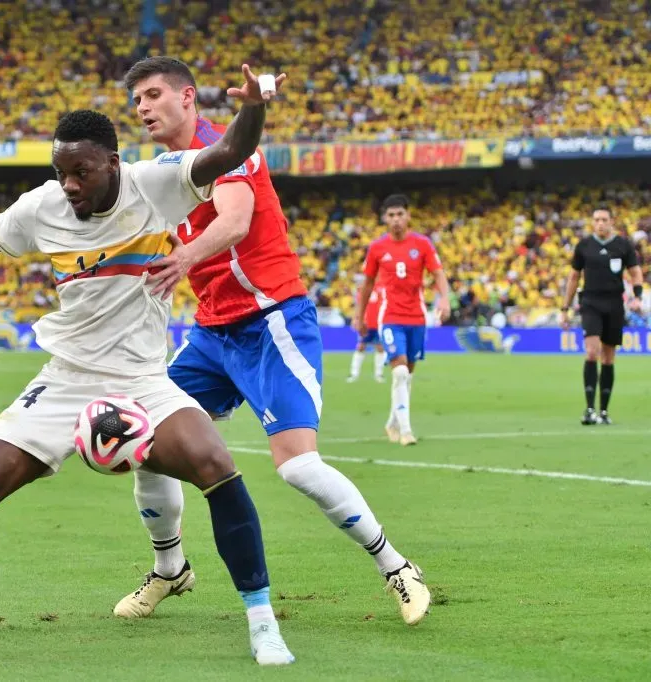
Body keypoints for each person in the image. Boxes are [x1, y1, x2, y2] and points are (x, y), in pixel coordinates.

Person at [0, 67, 298, 666]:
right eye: (61, 172)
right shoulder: (43, 208)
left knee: (215, 465)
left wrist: (253, 107)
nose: (70, 185)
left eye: (82, 172)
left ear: (114, 163)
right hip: (65, 378)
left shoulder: (157, 183)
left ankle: (262, 622)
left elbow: (232, 149)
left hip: (143, 381)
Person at [114, 56, 430, 628]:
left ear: (188, 98)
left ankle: (397, 567)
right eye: (136, 100)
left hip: (272, 322)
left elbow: (234, 222)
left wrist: (182, 257)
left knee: (298, 467)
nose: (142, 108)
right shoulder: (162, 169)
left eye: (153, 94)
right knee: (144, 444)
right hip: (211, 333)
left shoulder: (228, 148)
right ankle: (169, 568)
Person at [354, 194, 451, 446]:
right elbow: (366, 285)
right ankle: (406, 431)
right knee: (398, 371)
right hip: (391, 318)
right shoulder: (377, 248)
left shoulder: (423, 244)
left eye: (400, 214)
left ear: (408, 216)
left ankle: (392, 423)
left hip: (417, 318)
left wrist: (444, 299)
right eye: (391, 215)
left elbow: (438, 274)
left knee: (406, 374)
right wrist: (359, 315)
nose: (396, 220)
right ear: (385, 218)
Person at [560, 206, 644, 425]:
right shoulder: (584, 246)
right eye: (596, 219)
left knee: (608, 357)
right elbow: (574, 277)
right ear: (592, 222)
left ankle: (604, 411)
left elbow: (635, 272)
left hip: (615, 304)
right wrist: (564, 308)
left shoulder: (623, 245)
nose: (600, 223)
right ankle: (589, 409)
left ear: (611, 221)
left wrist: (637, 296)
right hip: (590, 303)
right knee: (591, 352)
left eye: (604, 219)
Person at [348, 274, 387, 383]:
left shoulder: (382, 287)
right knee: (361, 346)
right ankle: (354, 374)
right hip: (366, 323)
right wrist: (356, 318)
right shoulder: (363, 287)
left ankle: (379, 374)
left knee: (380, 347)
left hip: (378, 323)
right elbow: (359, 305)